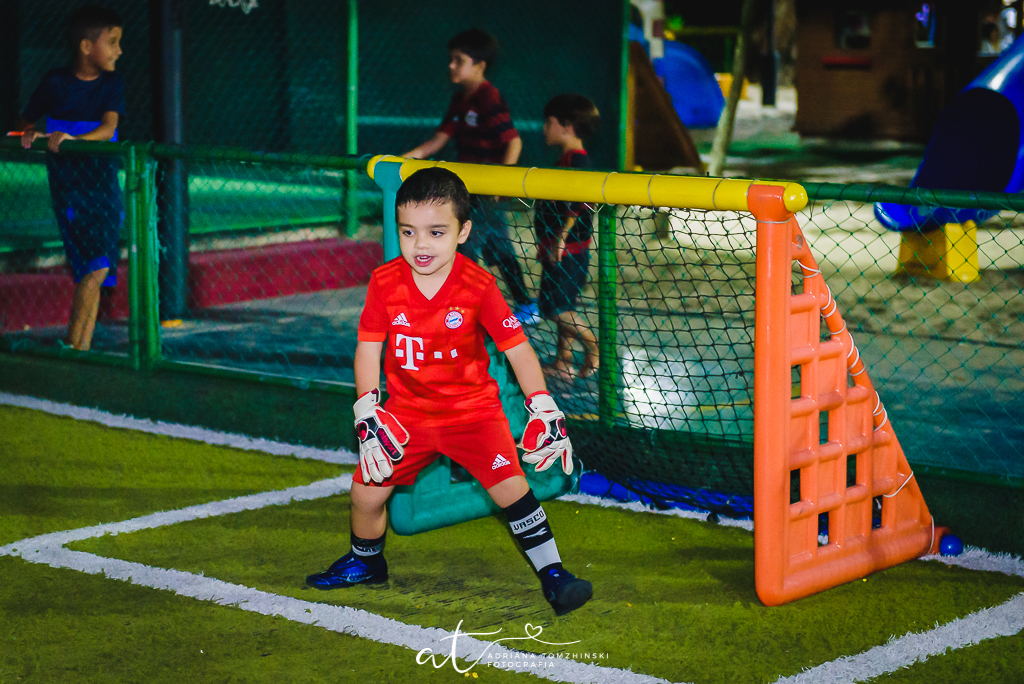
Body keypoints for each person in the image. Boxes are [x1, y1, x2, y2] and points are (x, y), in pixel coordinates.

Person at [305, 167, 593, 616]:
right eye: (408, 232)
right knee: (365, 494)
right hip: (406, 419)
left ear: (463, 232)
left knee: (512, 490)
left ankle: (554, 576)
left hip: (473, 415)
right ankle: (366, 563)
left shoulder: (479, 285)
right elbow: (368, 351)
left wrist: (543, 406)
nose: (421, 245)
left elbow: (517, 350)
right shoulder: (384, 281)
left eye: (436, 232)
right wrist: (367, 411)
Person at [402, 28, 539, 325]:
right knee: (491, 247)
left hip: (486, 192)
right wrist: (401, 161)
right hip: (467, 190)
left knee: (469, 247)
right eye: (450, 59)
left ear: (479, 65)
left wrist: (501, 181)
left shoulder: (488, 97)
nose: (451, 66)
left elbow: (513, 141)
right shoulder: (460, 99)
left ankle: (492, 307)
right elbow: (439, 139)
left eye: (458, 60)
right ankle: (515, 304)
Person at [14, 5, 125, 351]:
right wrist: (28, 133)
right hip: (72, 190)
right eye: (113, 42)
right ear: (86, 46)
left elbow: (109, 129)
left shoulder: (112, 84)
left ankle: (81, 348)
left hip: (105, 189)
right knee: (93, 269)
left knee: (99, 269)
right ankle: (75, 348)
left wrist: (75, 140)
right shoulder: (55, 83)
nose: (119, 51)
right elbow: (25, 121)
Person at [534, 94, 601, 382]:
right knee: (564, 304)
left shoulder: (578, 161)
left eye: (549, 123)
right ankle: (563, 362)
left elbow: (578, 201)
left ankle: (593, 349)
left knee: (555, 308)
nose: (544, 129)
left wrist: (561, 238)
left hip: (568, 251)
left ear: (568, 126)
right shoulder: (566, 159)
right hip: (560, 248)